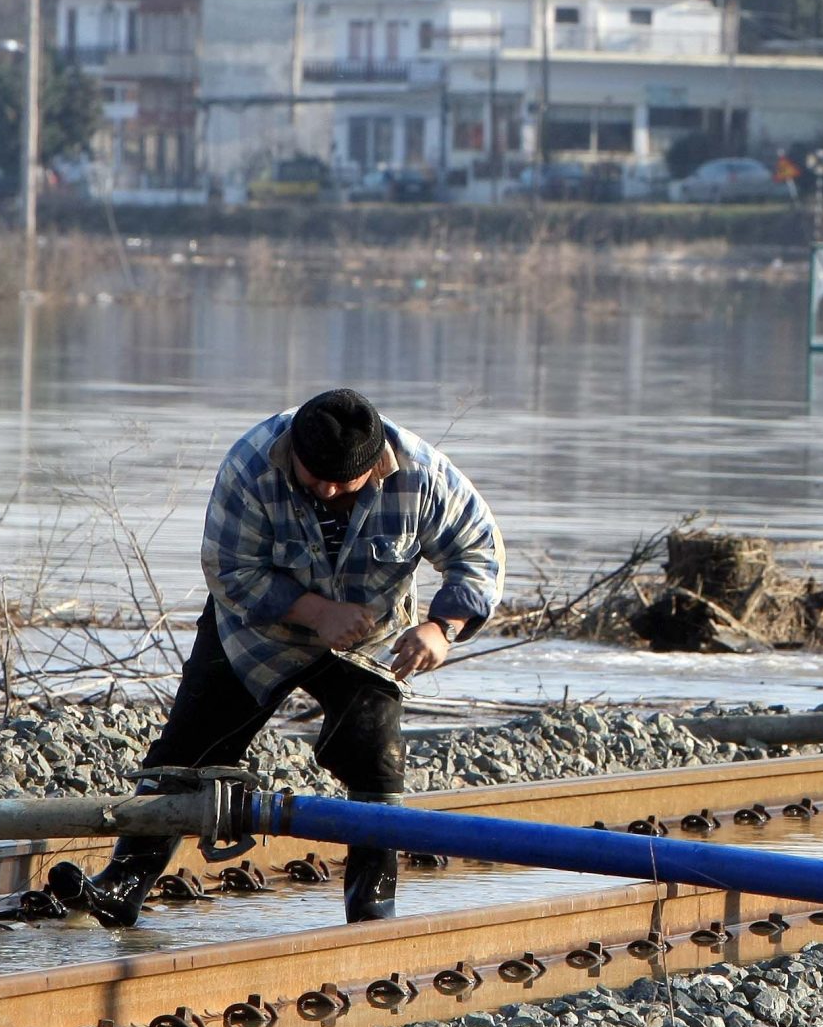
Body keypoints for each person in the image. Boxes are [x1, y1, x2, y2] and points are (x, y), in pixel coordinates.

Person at [50, 389, 502, 927]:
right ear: (294, 453)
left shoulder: (423, 475)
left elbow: (478, 553)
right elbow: (229, 569)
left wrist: (441, 626)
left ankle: (372, 909)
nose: (329, 490)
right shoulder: (250, 465)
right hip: (254, 629)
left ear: (376, 464)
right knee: (187, 750)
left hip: (367, 635)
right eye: (316, 478)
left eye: (344, 483)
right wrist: (315, 611)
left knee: (376, 757)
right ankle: (122, 886)